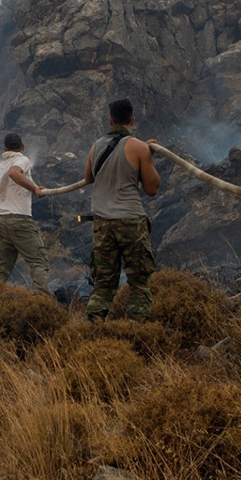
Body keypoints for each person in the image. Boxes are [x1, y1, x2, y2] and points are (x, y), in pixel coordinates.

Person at [82, 98, 161, 321]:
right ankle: (137, 331)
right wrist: (147, 157)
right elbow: (152, 188)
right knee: (139, 283)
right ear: (132, 120)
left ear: (110, 120)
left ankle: (91, 330)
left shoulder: (96, 146)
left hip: (102, 224)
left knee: (103, 285)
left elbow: (89, 177)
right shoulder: (139, 147)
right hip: (130, 221)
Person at [0, 132, 53, 297]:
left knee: (0, 270)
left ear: (4, 149)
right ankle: (41, 302)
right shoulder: (22, 159)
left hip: (0, 221)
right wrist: (34, 188)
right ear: (22, 147)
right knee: (39, 262)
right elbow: (14, 173)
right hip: (19, 219)